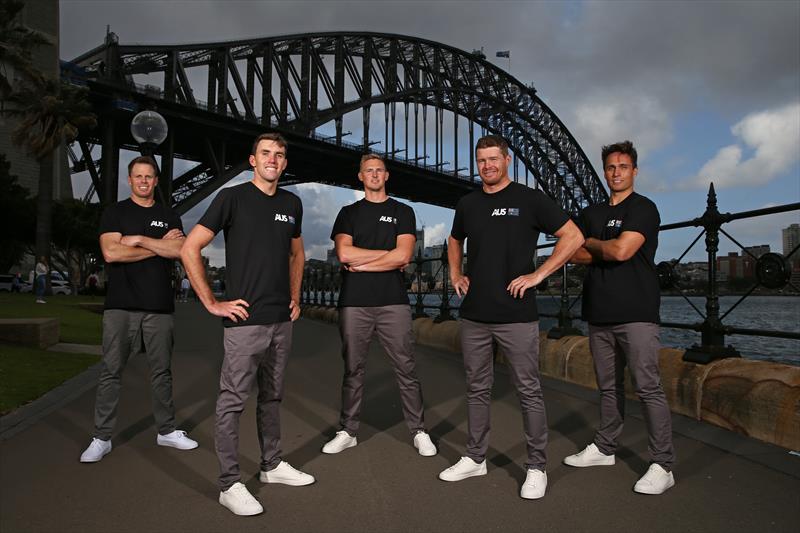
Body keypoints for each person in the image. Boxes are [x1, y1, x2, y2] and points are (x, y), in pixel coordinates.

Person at [439, 135, 584, 500]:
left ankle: (537, 467)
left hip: (517, 316)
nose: (487, 166)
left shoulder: (529, 199)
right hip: (474, 315)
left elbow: (573, 236)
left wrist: (539, 275)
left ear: (506, 161)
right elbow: (454, 240)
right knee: (476, 389)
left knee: (528, 391)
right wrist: (456, 274)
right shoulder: (468, 203)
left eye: (493, 159)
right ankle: (475, 457)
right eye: (481, 160)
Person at [182, 132, 313, 517]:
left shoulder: (292, 203)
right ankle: (229, 484)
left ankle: (271, 466)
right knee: (232, 402)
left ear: (285, 163)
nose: (273, 159)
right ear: (253, 160)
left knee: (272, 397)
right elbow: (191, 247)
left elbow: (297, 253)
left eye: (279, 154)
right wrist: (210, 302)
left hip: (280, 320)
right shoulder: (232, 198)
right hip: (244, 323)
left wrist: (296, 296)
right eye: (265, 153)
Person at [562, 140, 676, 495]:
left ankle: (662, 464)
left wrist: (594, 243)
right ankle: (605, 448)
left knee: (648, 387)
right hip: (599, 313)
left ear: (634, 171)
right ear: (605, 170)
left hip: (637, 312)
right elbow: (568, 251)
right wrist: (602, 247)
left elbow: (623, 249)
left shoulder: (644, 208)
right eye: (611, 167)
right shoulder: (591, 211)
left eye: (623, 167)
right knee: (608, 386)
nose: (616, 173)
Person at [80, 156, 198, 464]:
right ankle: (101, 437)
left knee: (162, 372)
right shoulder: (115, 213)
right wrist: (158, 246)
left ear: (156, 181)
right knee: (110, 371)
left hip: (159, 306)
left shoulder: (168, 214)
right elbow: (110, 252)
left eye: (149, 176)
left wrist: (139, 241)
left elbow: (180, 250)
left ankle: (167, 430)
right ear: (130, 180)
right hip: (120, 305)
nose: (144, 181)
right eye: (138, 176)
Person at [322, 154, 436, 458]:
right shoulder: (348, 213)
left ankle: (419, 431)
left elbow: (403, 257)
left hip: (393, 302)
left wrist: (365, 264)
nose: (374, 174)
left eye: (379, 170)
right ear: (360, 176)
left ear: (387, 176)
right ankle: (348, 431)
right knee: (353, 369)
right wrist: (384, 257)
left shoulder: (403, 210)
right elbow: (344, 254)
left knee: (405, 366)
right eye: (368, 170)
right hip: (354, 303)